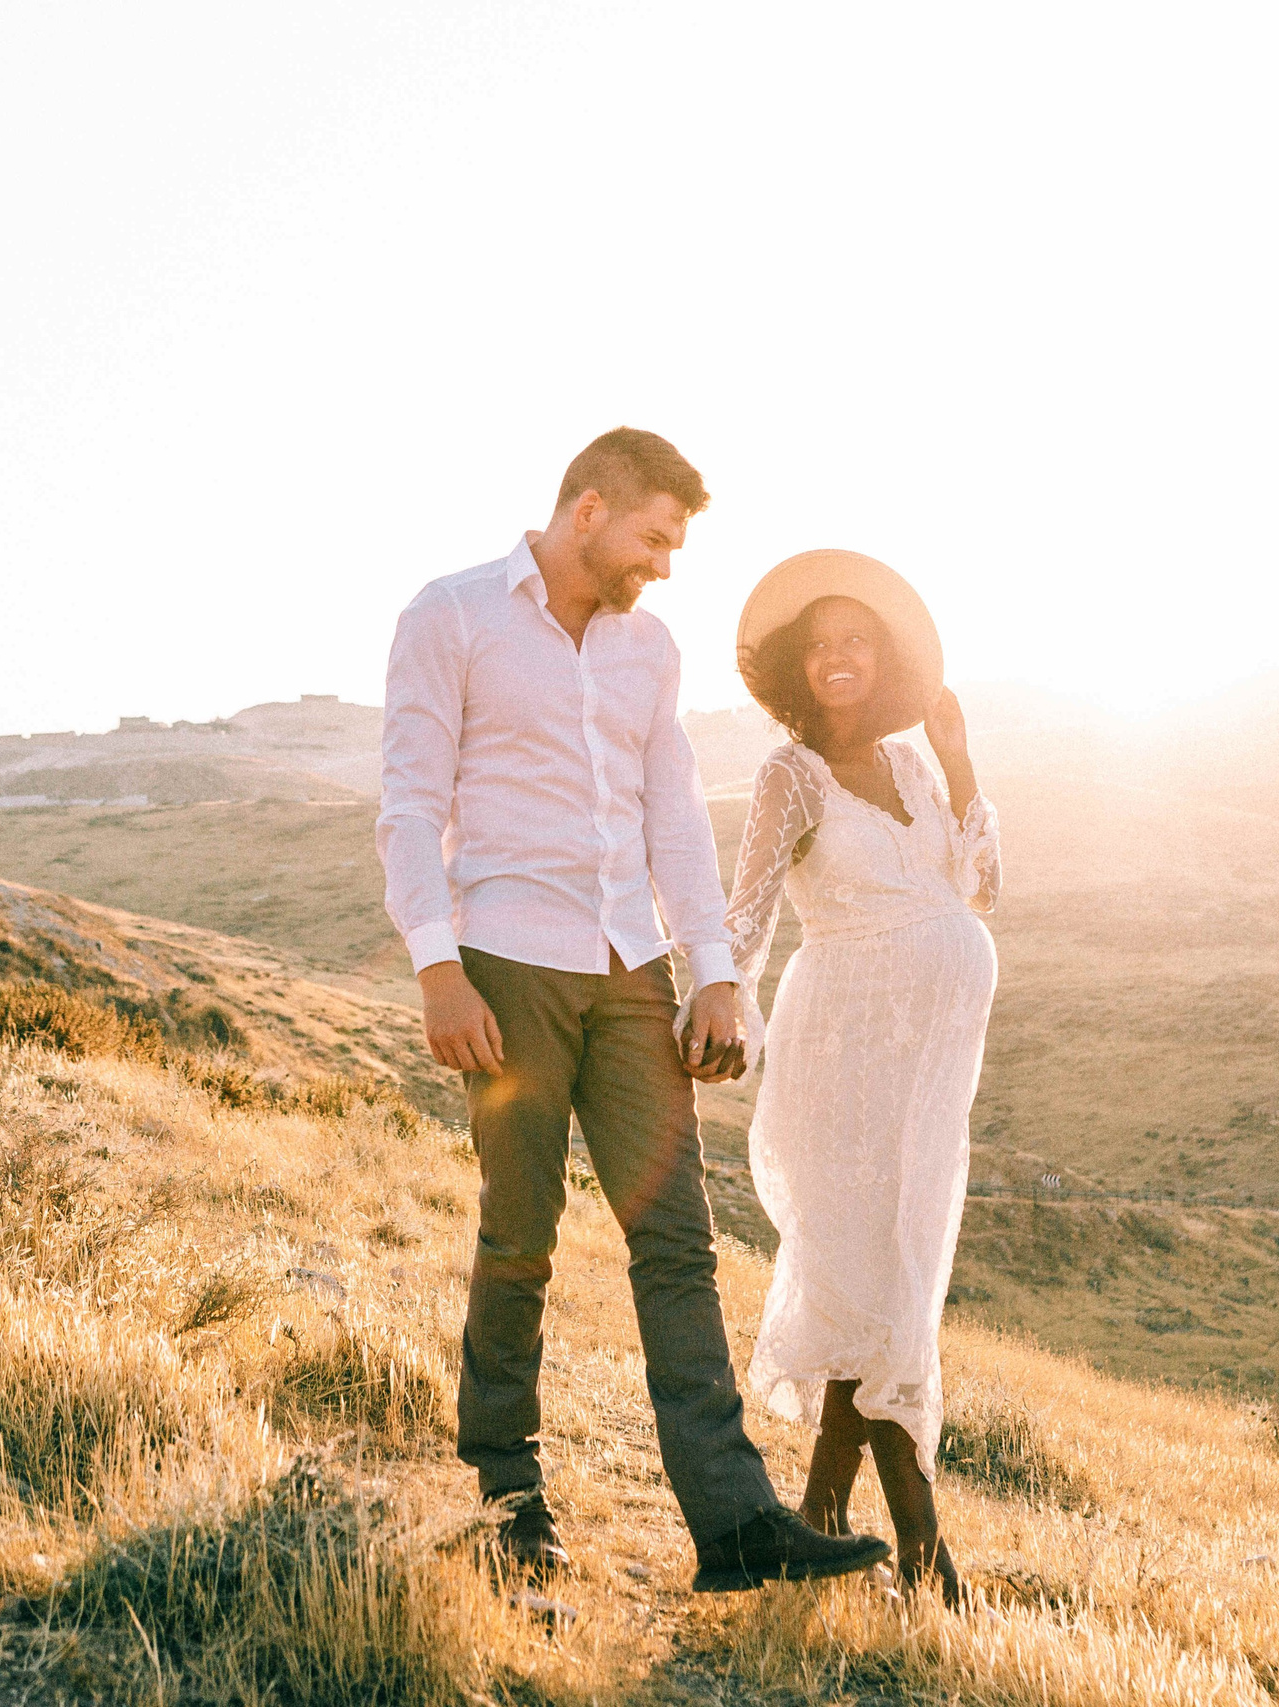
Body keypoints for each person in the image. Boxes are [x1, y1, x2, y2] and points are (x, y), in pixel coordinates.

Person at [376, 430, 892, 1594]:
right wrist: (434, 968)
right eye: (654, 538)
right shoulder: (451, 615)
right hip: (503, 960)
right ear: (589, 508)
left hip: (631, 972)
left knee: (676, 1244)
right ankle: (508, 1501)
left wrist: (711, 969)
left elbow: (671, 815)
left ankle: (734, 1525)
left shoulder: (649, 651)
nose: (663, 564)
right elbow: (408, 804)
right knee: (518, 1237)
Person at [723, 550, 1001, 1606]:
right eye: (820, 645)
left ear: (882, 660)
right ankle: (927, 1557)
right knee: (873, 1283)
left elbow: (980, 891)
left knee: (889, 1283)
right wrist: (717, 1004)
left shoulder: (919, 768)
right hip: (841, 1056)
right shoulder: (788, 776)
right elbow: (744, 916)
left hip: (925, 1070)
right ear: (799, 666)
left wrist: (962, 757)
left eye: (857, 642)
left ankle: (821, 1518)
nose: (838, 659)